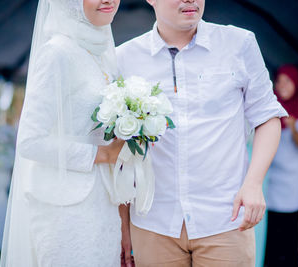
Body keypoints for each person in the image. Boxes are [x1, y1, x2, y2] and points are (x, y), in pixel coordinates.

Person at [117, 0, 288, 266]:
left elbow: (267, 116)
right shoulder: (124, 58)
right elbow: (120, 150)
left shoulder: (239, 44)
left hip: (226, 220)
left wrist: (253, 184)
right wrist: (123, 226)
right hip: (152, 222)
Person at [0, 0, 125, 266]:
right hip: (64, 207)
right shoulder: (57, 52)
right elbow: (30, 141)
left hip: (103, 199)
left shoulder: (100, 52)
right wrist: (100, 154)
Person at [265, 65, 298, 267]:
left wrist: (294, 127)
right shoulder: (270, 108)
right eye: (279, 81)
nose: (282, 85)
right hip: (269, 180)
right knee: (268, 234)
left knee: (287, 235)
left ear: (296, 84)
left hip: (290, 183)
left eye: (287, 81)